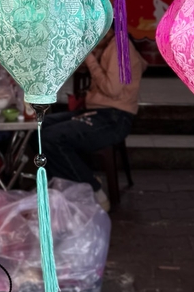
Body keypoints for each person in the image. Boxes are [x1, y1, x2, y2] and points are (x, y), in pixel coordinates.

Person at [41, 34, 145, 211]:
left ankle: (93, 190)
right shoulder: (107, 44)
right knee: (39, 126)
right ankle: (65, 185)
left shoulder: (120, 47)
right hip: (97, 111)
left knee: (51, 137)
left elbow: (112, 89)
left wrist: (90, 59)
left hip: (114, 117)